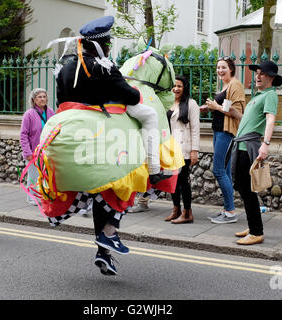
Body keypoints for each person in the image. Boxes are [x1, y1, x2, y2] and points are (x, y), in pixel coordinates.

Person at [56, 16, 167, 275]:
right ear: (101, 45)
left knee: (100, 195)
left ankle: (103, 251)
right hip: (106, 131)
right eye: (107, 44)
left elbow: (62, 100)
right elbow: (131, 95)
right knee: (149, 117)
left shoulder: (65, 67)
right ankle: (154, 167)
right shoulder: (102, 66)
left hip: (76, 134)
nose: (109, 49)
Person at [228, 60, 282, 245]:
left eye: (262, 73)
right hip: (240, 146)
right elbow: (249, 121)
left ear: (272, 78)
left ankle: (257, 232)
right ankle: (253, 227)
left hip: (249, 148)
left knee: (247, 190)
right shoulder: (258, 95)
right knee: (245, 189)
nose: (257, 76)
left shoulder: (270, 95)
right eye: (257, 73)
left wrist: (265, 145)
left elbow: (270, 120)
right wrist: (235, 113)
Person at [201, 57, 245, 224]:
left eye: (224, 68)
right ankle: (227, 209)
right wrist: (208, 108)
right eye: (218, 67)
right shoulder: (225, 85)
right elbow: (223, 108)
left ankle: (231, 212)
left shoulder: (235, 85)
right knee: (224, 171)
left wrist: (216, 107)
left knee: (218, 170)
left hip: (227, 133)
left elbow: (237, 112)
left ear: (231, 69)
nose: (220, 70)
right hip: (218, 131)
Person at [165, 75, 200, 224]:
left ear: (184, 87)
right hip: (170, 148)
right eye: (174, 86)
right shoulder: (167, 102)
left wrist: (194, 150)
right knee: (172, 180)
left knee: (182, 181)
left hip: (184, 148)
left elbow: (195, 129)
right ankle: (176, 209)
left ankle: (187, 212)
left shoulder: (191, 104)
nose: (176, 89)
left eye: (179, 86)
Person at [20, 88, 55, 205]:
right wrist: (27, 153)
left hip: (48, 151)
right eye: (39, 97)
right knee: (33, 175)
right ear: (34, 100)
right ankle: (31, 198)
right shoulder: (29, 114)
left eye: (44, 96)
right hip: (33, 151)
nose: (43, 99)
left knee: (47, 175)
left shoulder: (50, 112)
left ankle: (45, 195)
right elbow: (23, 135)